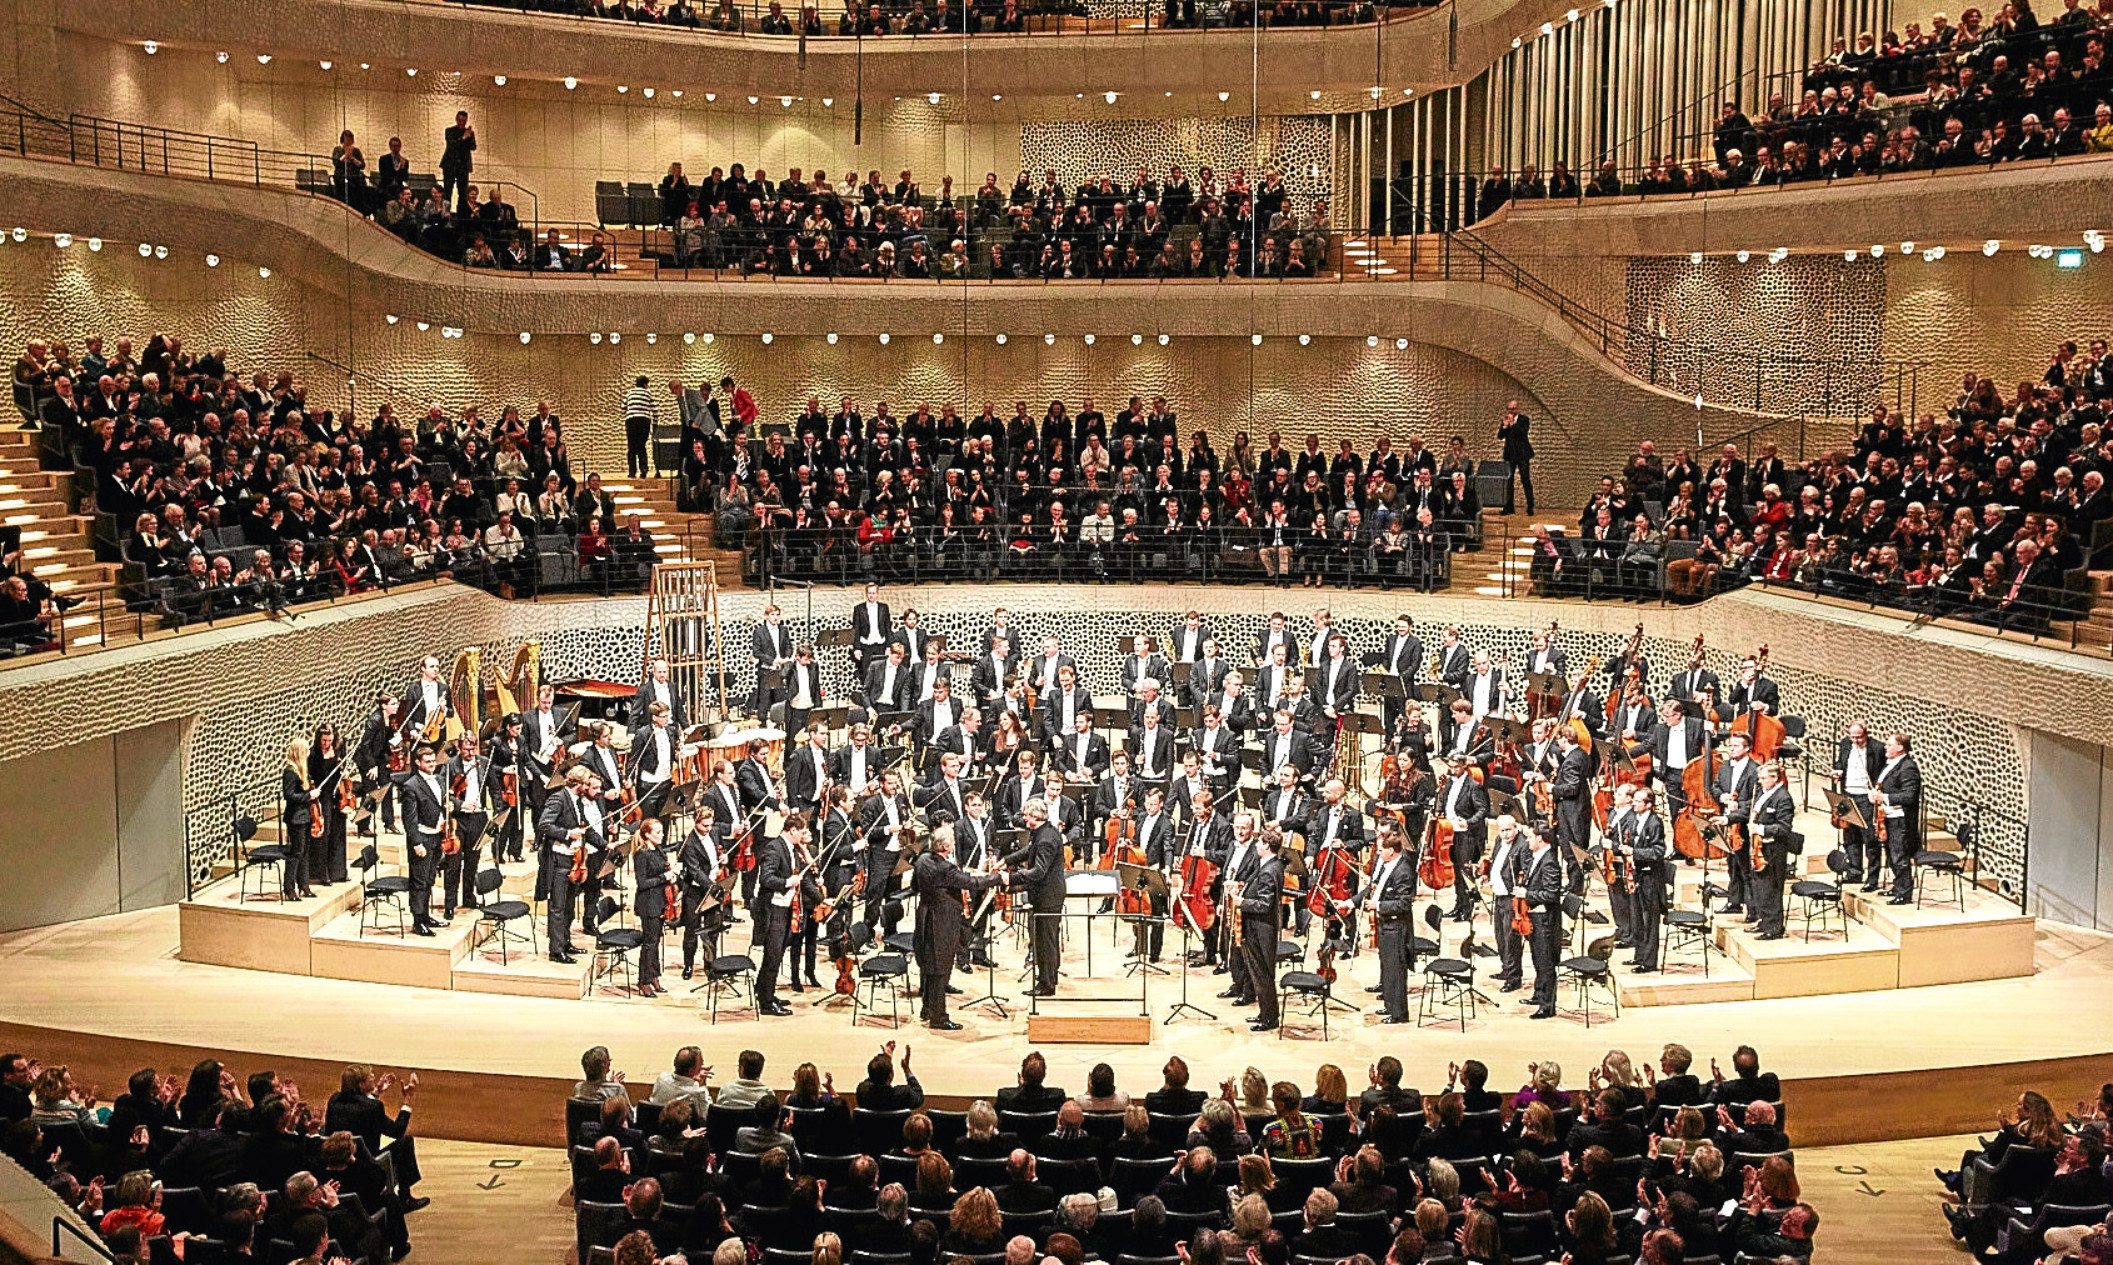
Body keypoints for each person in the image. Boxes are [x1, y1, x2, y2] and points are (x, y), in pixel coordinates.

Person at [911, 820, 1006, 1029]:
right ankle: (939, 1017)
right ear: (945, 846)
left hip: (925, 916)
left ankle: (927, 1008)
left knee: (929, 964)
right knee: (939, 968)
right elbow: (973, 883)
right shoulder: (945, 868)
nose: (954, 843)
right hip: (942, 921)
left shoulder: (922, 860)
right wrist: (996, 878)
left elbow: (914, 886)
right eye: (952, 841)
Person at [1002, 799, 1066, 997]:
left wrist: (1010, 877)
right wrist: (1006, 860)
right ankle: (1048, 978)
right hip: (1045, 894)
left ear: (1035, 817)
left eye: (1026, 815)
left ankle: (1046, 985)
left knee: (1045, 940)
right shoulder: (1043, 831)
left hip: (1048, 896)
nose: (1023, 818)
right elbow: (1030, 850)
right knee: (1045, 938)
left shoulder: (1046, 839)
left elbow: (1038, 872)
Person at [1364, 827, 1416, 1022]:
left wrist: (1379, 905)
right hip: (1385, 925)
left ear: (1391, 851)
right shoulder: (1388, 865)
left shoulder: (1403, 870)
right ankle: (1389, 1005)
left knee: (1396, 971)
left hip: (1397, 927)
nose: (1377, 853)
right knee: (1387, 967)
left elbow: (1403, 903)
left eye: (1380, 850)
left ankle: (1399, 1013)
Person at [1237, 827, 1286, 1032]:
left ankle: (1269, 1019)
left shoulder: (1269, 870)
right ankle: (1265, 1012)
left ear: (1267, 845)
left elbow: (1265, 905)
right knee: (1258, 973)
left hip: (1261, 928)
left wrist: (1242, 902)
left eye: (1259, 842)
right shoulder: (1269, 864)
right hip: (1258, 926)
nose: (1256, 845)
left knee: (1263, 973)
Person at [1520, 823, 1563, 1019]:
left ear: (1540, 839)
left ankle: (1548, 1006)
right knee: (1537, 958)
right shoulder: (1538, 857)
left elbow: (1551, 894)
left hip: (1545, 920)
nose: (1527, 840)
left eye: (1530, 837)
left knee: (1546, 962)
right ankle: (1539, 994)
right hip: (1535, 917)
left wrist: (1527, 894)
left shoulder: (1550, 862)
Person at [1498, 399, 1535, 513]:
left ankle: (1530, 506)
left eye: (1513, 409)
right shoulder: (1506, 420)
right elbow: (1500, 436)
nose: (1511, 411)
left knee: (1525, 479)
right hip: (1510, 455)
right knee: (1509, 481)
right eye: (1509, 409)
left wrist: (1513, 424)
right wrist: (1505, 426)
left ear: (1518, 409)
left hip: (1523, 454)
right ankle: (1509, 506)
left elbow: (1522, 433)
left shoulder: (1524, 419)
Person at [440, 110, 477, 214]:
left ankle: (461, 214)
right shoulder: (449, 131)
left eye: (464, 121)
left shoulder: (470, 133)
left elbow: (473, 147)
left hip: (463, 166)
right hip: (450, 165)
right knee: (447, 191)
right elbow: (451, 145)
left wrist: (468, 138)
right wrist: (463, 138)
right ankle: (446, 214)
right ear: (456, 119)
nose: (462, 123)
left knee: (463, 192)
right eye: (460, 120)